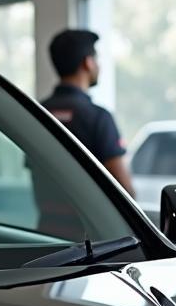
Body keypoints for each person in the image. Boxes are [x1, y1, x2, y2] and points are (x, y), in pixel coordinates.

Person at [40, 28, 135, 197]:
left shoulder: (37, 113)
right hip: (89, 223)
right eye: (96, 58)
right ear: (88, 62)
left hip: (47, 222)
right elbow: (125, 190)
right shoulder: (98, 118)